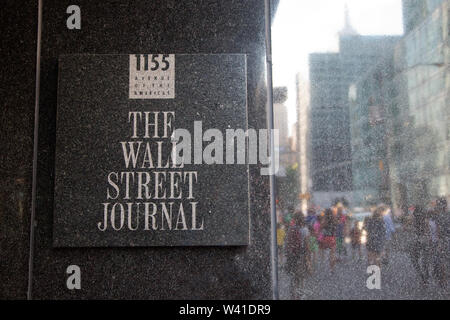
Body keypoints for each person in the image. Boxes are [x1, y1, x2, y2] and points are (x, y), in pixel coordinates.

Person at [285, 212, 310, 299]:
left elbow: (287, 243)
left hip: (292, 255)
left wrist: (288, 255)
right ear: (303, 219)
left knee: (293, 276)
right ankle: (300, 295)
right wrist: (308, 260)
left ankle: (292, 295)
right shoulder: (305, 230)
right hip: (301, 255)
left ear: (294, 219)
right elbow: (307, 246)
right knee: (301, 277)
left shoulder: (290, 229)